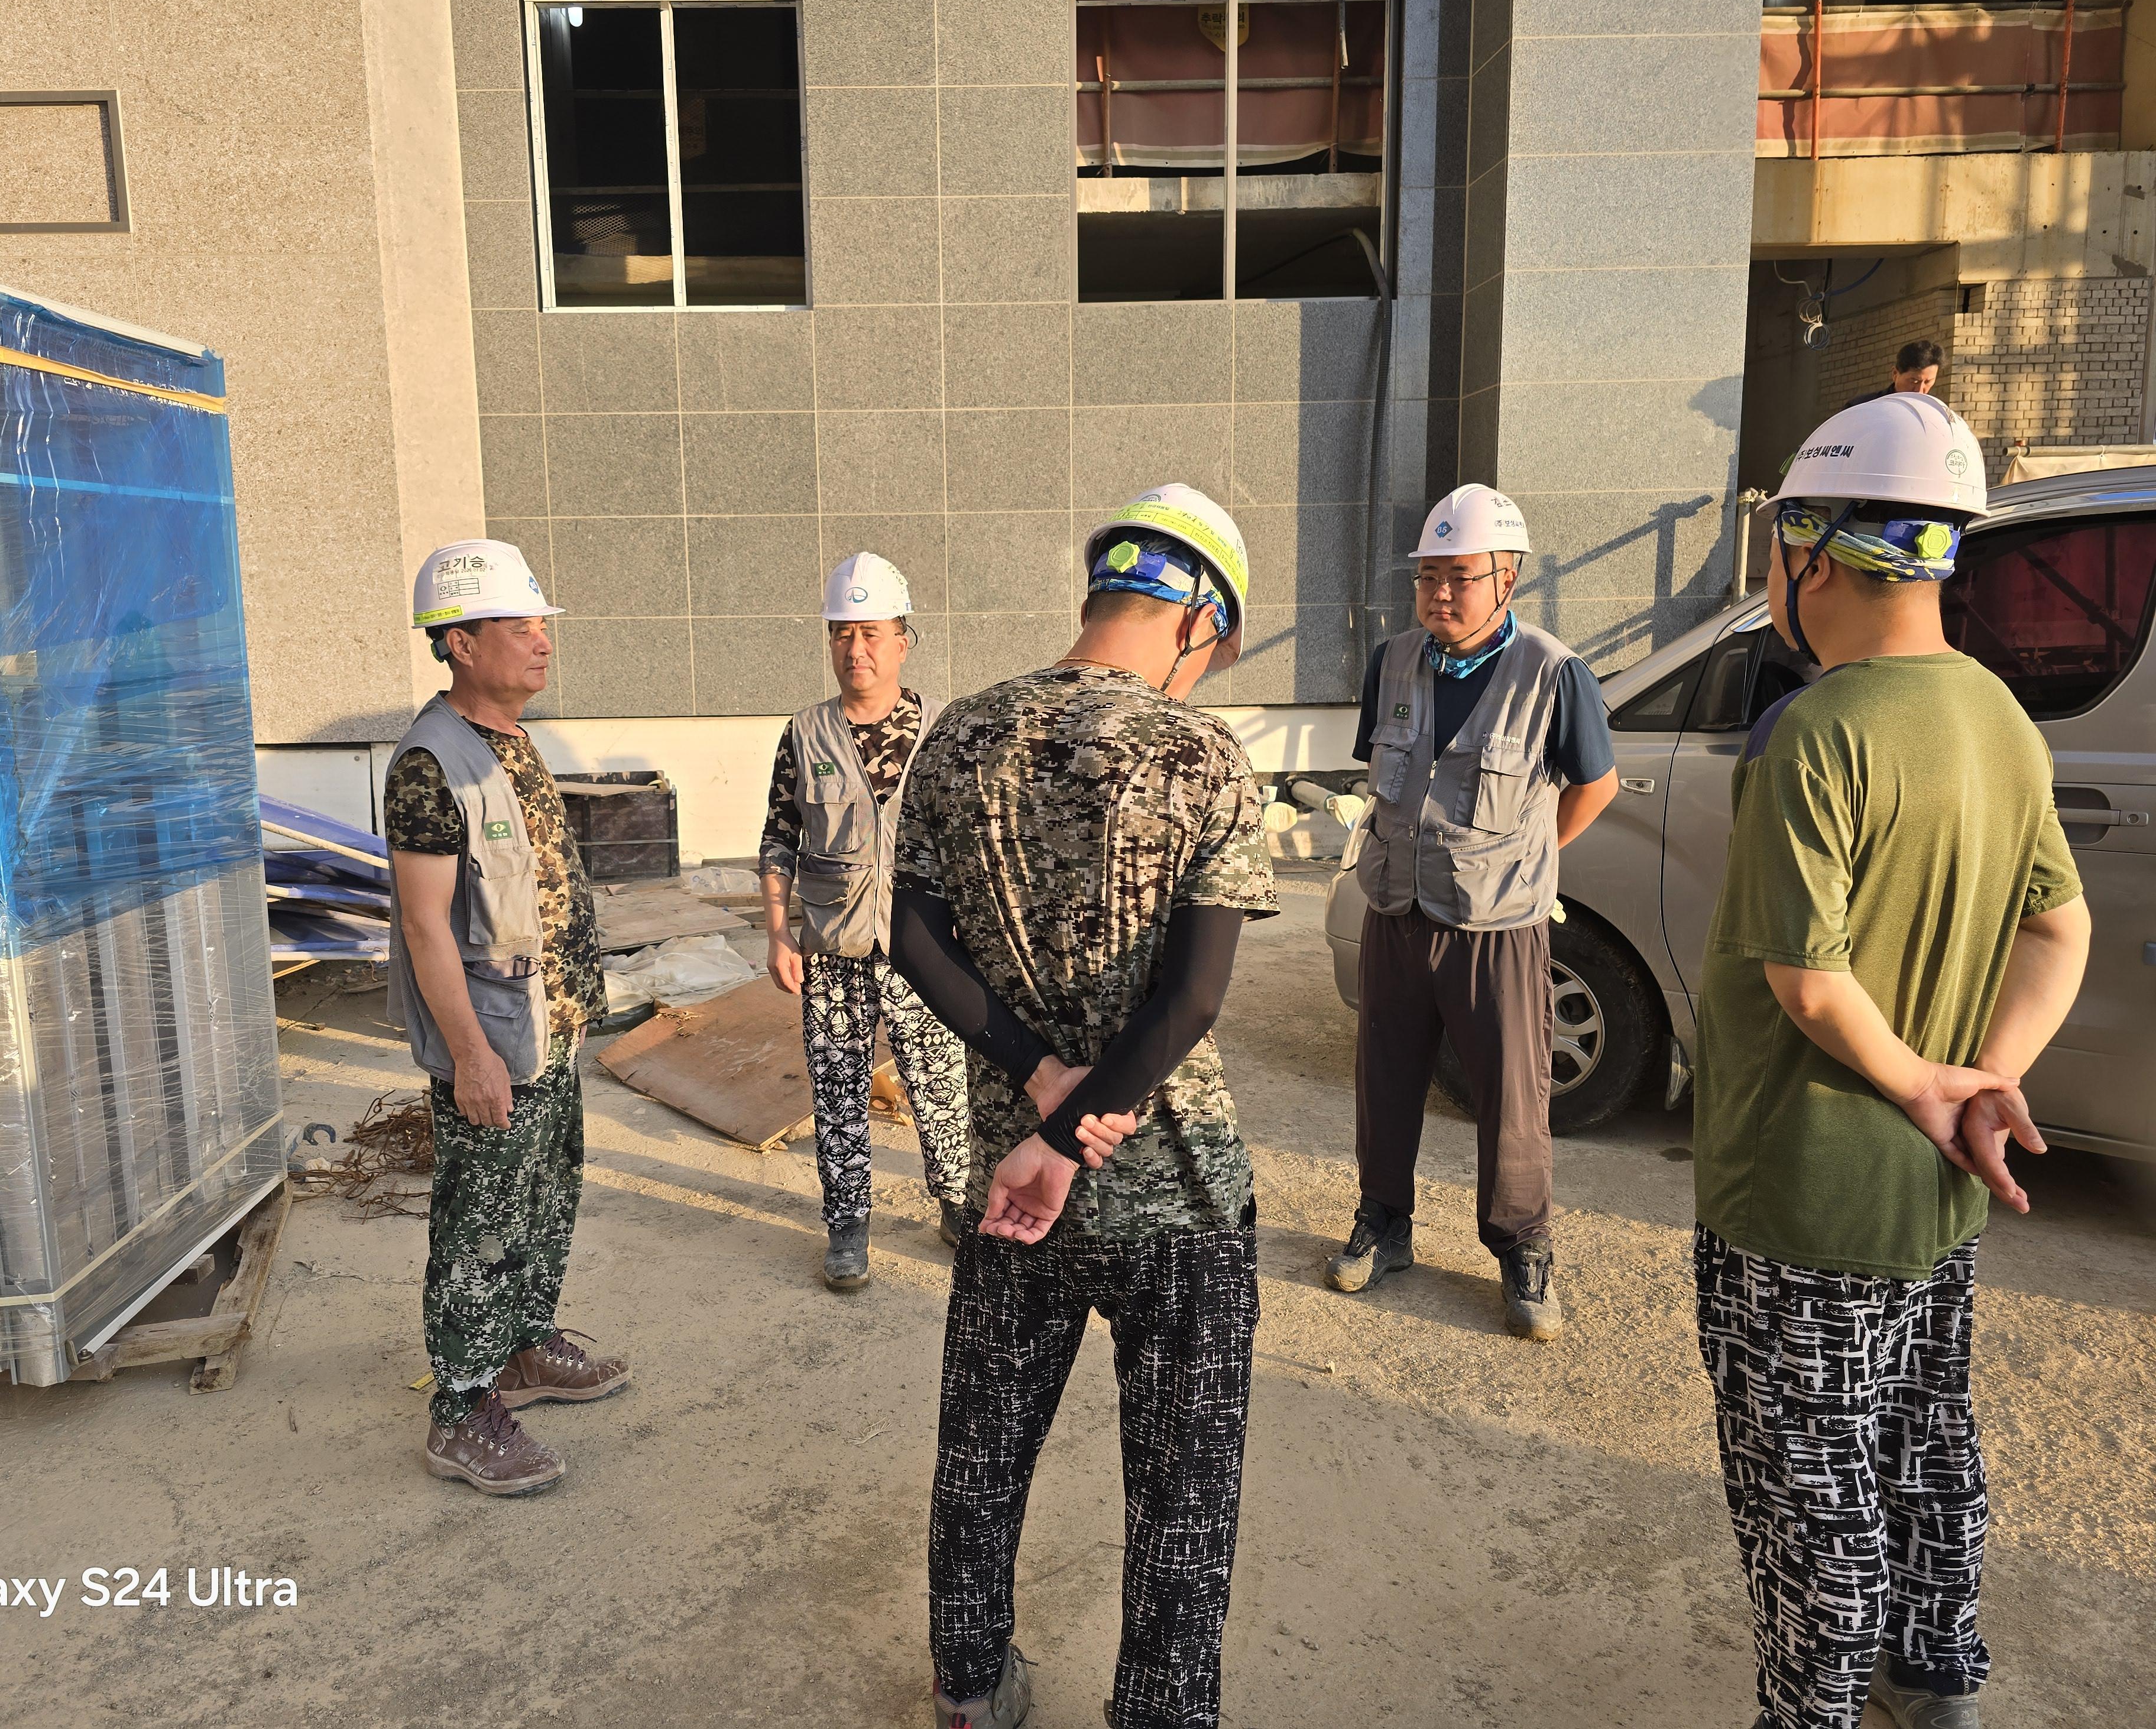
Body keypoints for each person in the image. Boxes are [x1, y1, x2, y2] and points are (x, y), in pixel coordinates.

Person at [1693, 392, 2090, 1729]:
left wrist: (1919, 1079)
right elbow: (2060, 926)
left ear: (1811, 549)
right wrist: (1985, 1078)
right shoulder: (1998, 715)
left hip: (1801, 1190)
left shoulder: (1818, 732)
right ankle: (1934, 1678)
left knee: (1806, 1489)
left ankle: (1809, 1709)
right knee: (1924, 1440)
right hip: (1937, 1190)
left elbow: (1808, 981)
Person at [887, 483, 1278, 1729]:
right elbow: (1193, 996)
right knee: (1180, 1494)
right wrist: (1083, 1122)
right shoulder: (1203, 756)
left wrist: (1040, 1088)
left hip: (1014, 1183)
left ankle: (967, 1687)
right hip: (1178, 1193)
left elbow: (913, 941)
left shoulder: (958, 734)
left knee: (983, 1452)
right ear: (1199, 621)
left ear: (1102, 590)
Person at [1323, 484, 1619, 1339]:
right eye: (1427, 576)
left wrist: (1528, 857)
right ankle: (1384, 1221)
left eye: (1460, 576)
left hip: (1497, 928)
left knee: (1512, 1096)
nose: (1439, 593)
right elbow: (1385, 775)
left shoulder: (1553, 673)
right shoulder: (1393, 662)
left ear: (1507, 579)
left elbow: (1595, 785)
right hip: (1394, 910)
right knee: (1385, 1079)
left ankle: (1522, 1247)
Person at [384, 539, 630, 1497]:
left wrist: (569, 1015)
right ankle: (460, 1408)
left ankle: (524, 1347)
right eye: (519, 626)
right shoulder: (430, 764)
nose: (541, 641)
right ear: (460, 642)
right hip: (492, 1040)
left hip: (548, 1026)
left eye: (541, 625)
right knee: (480, 1224)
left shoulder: (512, 741)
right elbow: (424, 926)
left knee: (544, 1199)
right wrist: (470, 1056)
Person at [758, 553, 971, 1289]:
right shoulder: (805, 733)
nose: (856, 649)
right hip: (833, 946)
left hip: (927, 948)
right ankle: (847, 1226)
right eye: (842, 634)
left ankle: (957, 1202)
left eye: (871, 633)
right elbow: (779, 836)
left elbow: (971, 842)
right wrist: (776, 930)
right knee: (838, 1088)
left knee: (942, 1084)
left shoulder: (944, 730)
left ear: (902, 642)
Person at [1846, 338, 1943, 410]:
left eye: (1928, 382)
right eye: (1915, 381)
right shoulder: (1860, 407)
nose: (1920, 390)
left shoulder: (1937, 413)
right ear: (1895, 374)